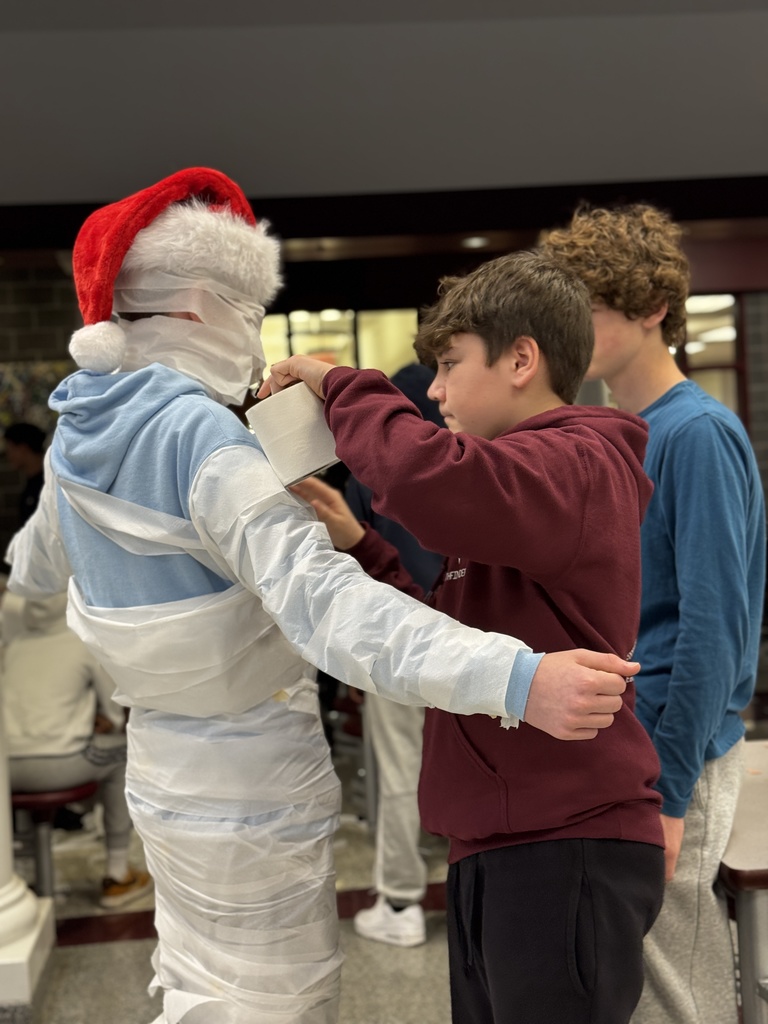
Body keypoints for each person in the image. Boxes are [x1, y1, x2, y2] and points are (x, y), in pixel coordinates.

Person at [4, 168, 640, 1024]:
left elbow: (33, 572)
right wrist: (515, 676)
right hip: (255, 783)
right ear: (202, 304)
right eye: (247, 308)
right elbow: (334, 611)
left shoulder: (72, 440)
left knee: (195, 987)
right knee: (272, 1002)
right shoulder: (203, 440)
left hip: (162, 775)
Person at [266, 248, 666, 1024]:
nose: (436, 390)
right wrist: (360, 545)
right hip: (500, 839)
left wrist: (339, 383)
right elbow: (445, 640)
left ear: (521, 360)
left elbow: (425, 476)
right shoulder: (526, 484)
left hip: (566, 840)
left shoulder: (577, 461)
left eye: (450, 364)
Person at [540, 204, 766, 1024]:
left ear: (652, 309)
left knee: (677, 985)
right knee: (641, 981)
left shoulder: (695, 432)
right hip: (629, 741)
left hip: (678, 749)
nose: (578, 330)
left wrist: (669, 795)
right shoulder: (617, 431)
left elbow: (714, 628)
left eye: (595, 309)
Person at [347, 362, 445, 948]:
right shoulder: (476, 452)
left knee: (402, 769)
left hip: (396, 637)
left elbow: (352, 561)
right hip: (480, 634)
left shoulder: (370, 470)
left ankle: (402, 901)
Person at [1, 590, 151, 906]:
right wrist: (98, 719)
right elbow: (115, 714)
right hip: (60, 765)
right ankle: (118, 874)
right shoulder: (82, 642)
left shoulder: (15, 646)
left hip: (7, 769)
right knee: (123, 755)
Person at [3, 422, 46, 526]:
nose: (8, 455)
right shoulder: (32, 483)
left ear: (23, 448)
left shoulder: (47, 484)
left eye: (10, 449)